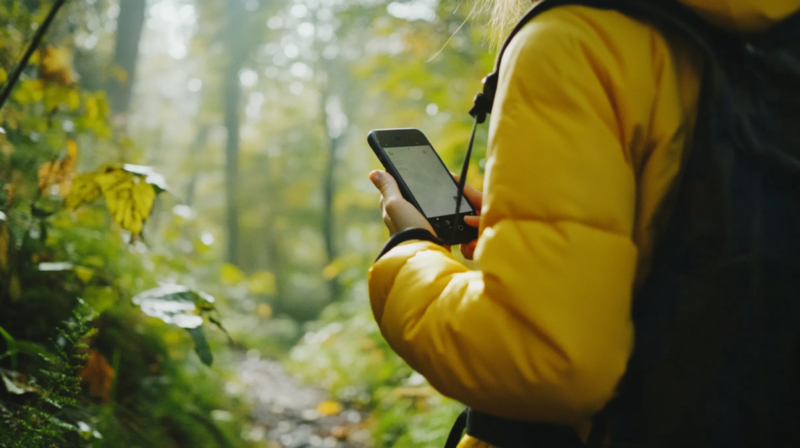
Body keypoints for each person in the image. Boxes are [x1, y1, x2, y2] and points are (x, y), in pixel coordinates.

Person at [367, 0, 800, 447]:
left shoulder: (575, 41)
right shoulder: (773, 30)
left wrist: (410, 250)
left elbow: (546, 362)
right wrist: (527, 239)